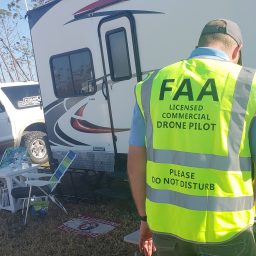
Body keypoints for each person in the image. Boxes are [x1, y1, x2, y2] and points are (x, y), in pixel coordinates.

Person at [127, 19, 256, 256]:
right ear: (236, 50)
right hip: (227, 232)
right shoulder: (249, 85)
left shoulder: (151, 85)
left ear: (199, 45)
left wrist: (144, 219)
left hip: (165, 227)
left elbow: (135, 164)